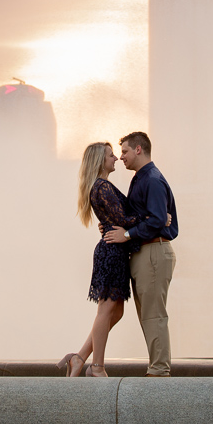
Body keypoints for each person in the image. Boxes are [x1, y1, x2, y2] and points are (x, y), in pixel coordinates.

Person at [58, 141, 162, 378]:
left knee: (115, 312)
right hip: (112, 252)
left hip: (115, 250)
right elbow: (123, 219)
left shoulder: (102, 186)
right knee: (106, 311)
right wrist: (155, 218)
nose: (116, 158)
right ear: (100, 161)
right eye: (111, 155)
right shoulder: (102, 187)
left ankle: (79, 358)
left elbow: (119, 218)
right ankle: (97, 367)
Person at [103, 131, 178, 377]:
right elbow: (149, 216)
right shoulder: (140, 179)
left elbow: (158, 220)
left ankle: (159, 370)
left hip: (153, 252)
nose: (121, 156)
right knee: (148, 315)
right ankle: (156, 367)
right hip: (145, 253)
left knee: (154, 315)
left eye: (124, 151)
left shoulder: (152, 180)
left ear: (138, 149)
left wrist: (126, 234)